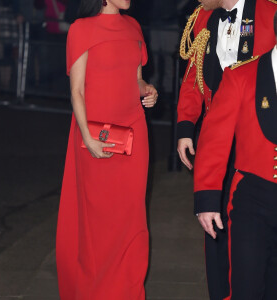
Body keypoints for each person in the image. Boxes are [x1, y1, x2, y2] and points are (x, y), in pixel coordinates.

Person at [56, 0, 158, 299]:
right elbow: (77, 90)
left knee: (132, 218)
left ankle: (127, 290)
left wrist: (147, 89)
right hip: (96, 133)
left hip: (134, 133)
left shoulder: (133, 27)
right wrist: (86, 136)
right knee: (99, 222)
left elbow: (135, 79)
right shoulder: (81, 29)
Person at [177, 1, 276, 299]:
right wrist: (185, 125)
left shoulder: (269, 13)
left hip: (256, 138)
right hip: (217, 136)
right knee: (215, 219)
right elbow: (193, 76)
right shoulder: (203, 19)